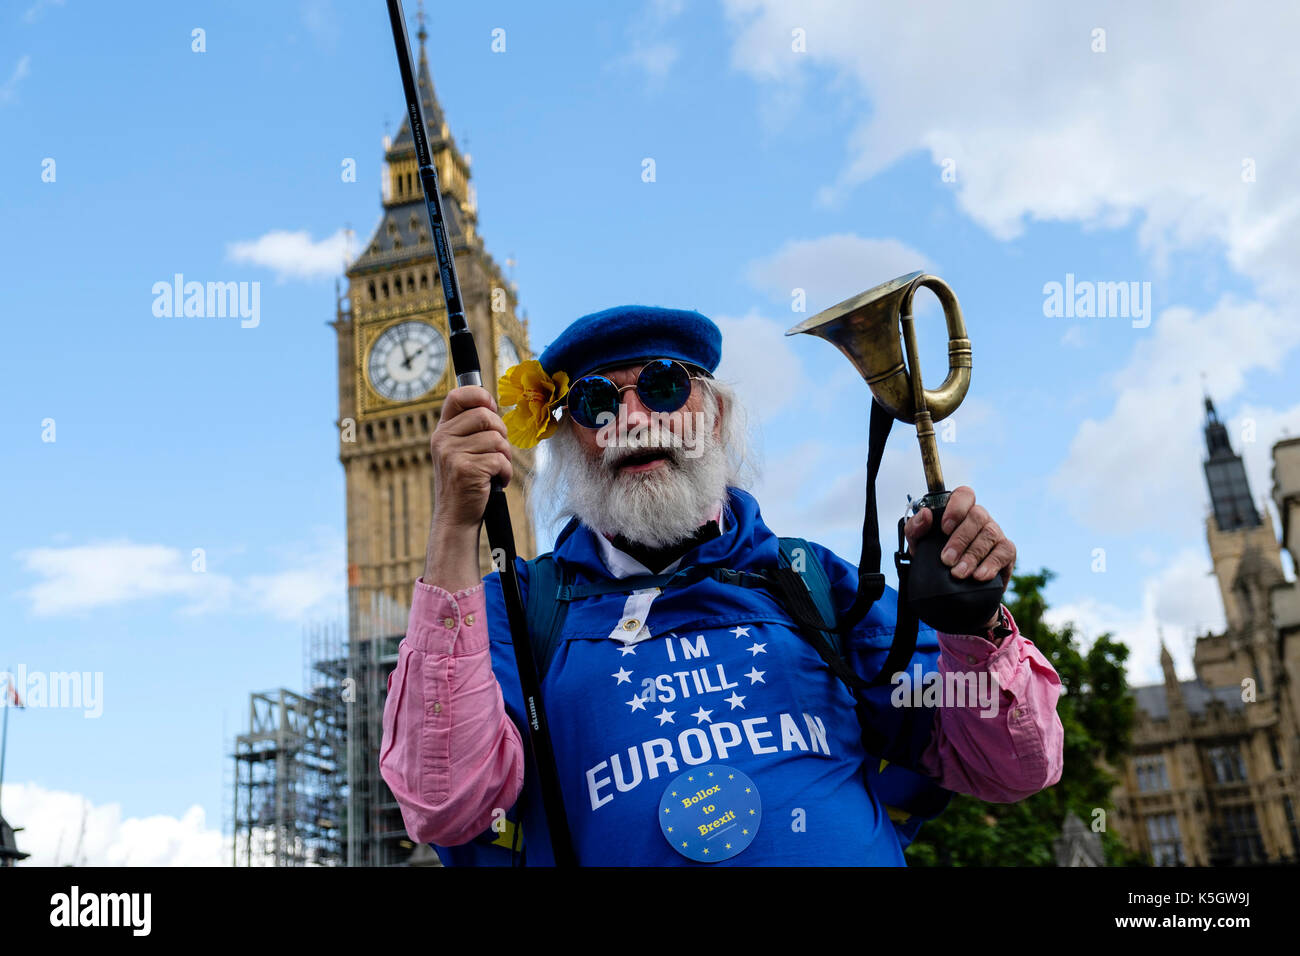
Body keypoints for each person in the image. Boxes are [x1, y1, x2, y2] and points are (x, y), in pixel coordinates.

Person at [380, 305, 1064, 866]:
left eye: (665, 386)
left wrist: (974, 629)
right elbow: (446, 803)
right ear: (568, 442)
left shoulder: (812, 582)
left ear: (713, 415)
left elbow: (1011, 767)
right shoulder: (519, 608)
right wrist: (452, 529)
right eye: (595, 402)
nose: (634, 418)